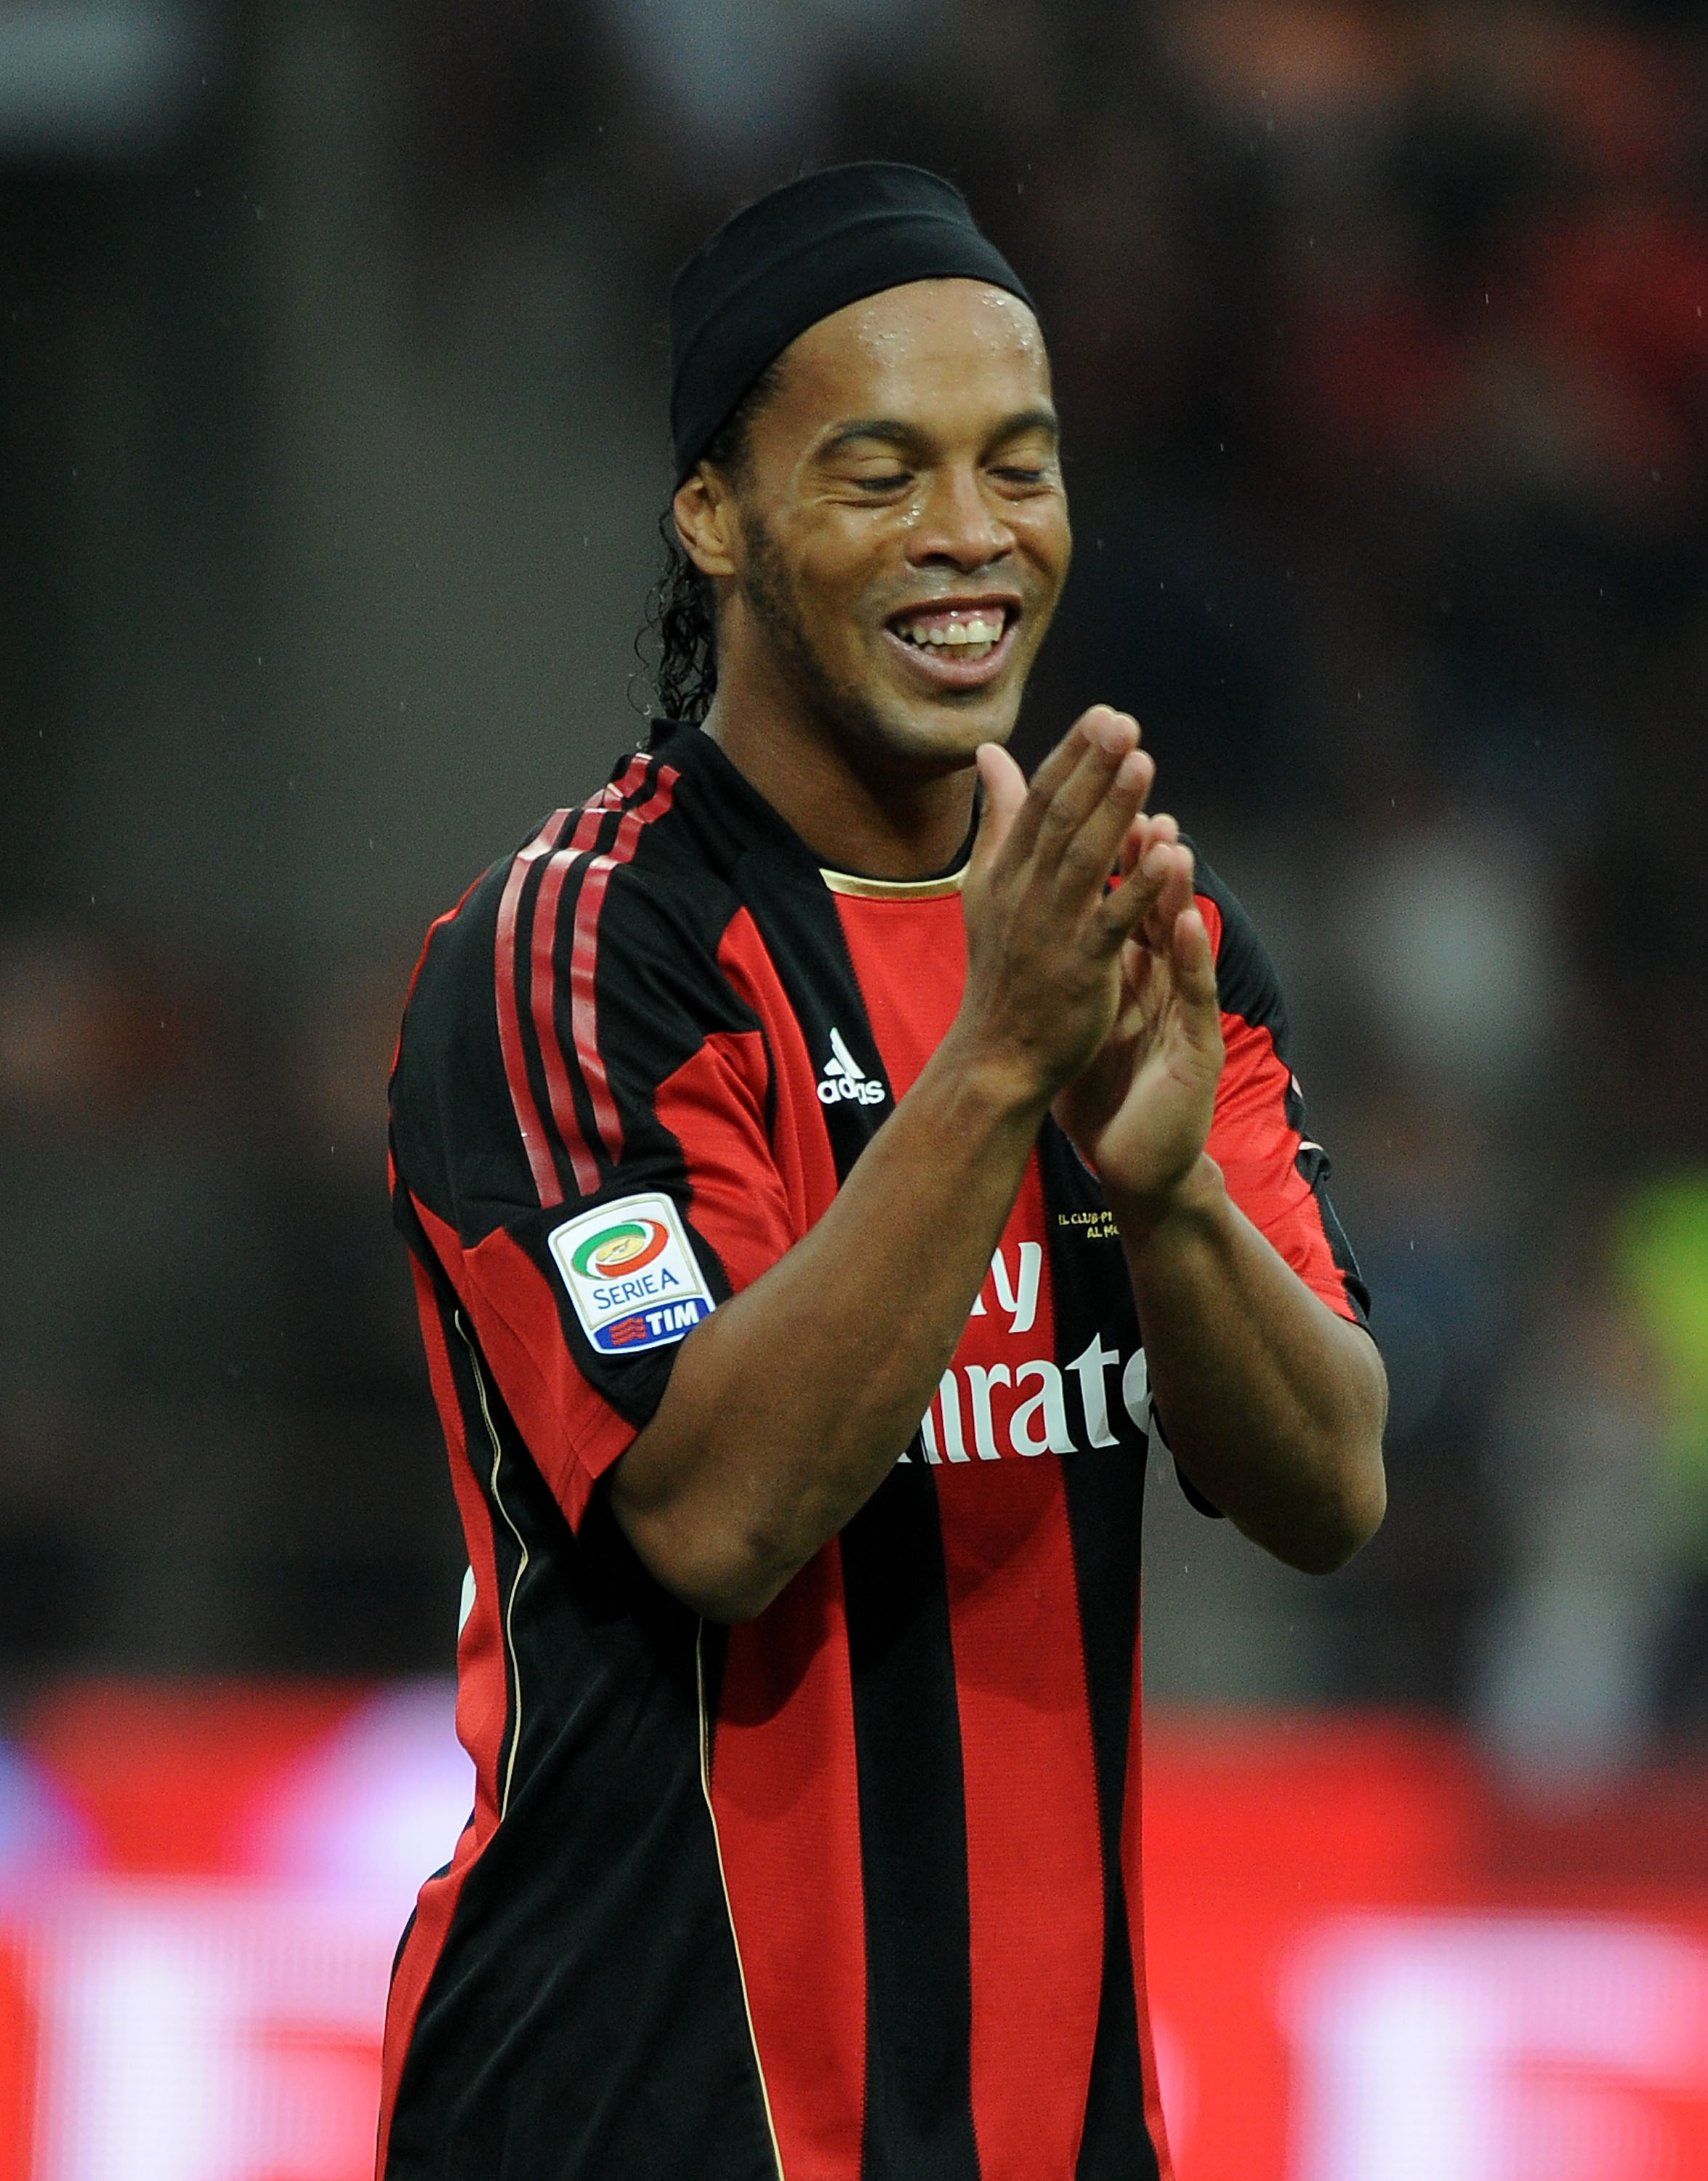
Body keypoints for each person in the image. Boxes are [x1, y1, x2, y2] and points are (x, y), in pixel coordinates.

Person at [379, 163, 1387, 2181]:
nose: (968, 537)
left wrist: (1172, 1196)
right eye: (879, 471)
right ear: (716, 516)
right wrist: (1005, 1062)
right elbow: (719, 1515)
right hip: (632, 2111)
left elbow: (1331, 1490)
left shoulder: (1143, 941)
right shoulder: (586, 952)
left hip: (1052, 2128)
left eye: (1018, 466)